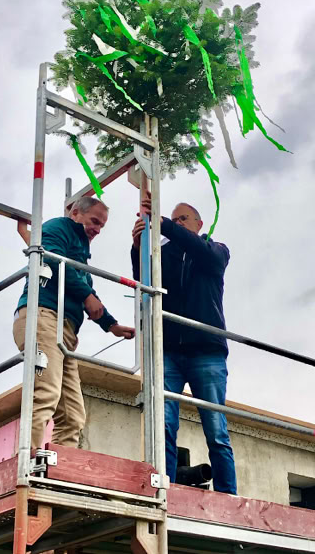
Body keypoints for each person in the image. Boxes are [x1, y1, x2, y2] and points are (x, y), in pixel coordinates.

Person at [131, 195, 237, 495]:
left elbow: (207, 256)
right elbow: (144, 282)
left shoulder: (215, 249)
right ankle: (166, 490)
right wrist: (138, 248)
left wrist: (164, 224)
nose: (177, 224)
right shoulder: (163, 253)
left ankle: (228, 494)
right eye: (174, 219)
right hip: (170, 351)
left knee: (216, 428)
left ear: (199, 224)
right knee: (163, 424)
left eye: (183, 219)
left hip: (206, 351)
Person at [14, 196, 135, 450]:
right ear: (75, 213)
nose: (97, 229)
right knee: (46, 393)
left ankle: (59, 467)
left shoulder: (80, 257)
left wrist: (111, 325)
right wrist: (87, 296)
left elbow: (89, 294)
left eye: (102, 226)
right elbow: (51, 259)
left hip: (64, 330)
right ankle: (26, 460)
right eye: (94, 221)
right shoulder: (58, 227)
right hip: (43, 317)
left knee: (72, 415)